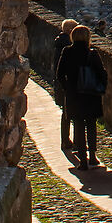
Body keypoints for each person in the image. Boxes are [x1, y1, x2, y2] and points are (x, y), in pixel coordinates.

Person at [63, 25, 108, 171]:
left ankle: (82, 160)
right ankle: (93, 156)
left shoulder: (67, 52)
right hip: (90, 94)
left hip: (74, 96)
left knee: (79, 126)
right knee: (91, 125)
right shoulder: (92, 54)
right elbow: (102, 73)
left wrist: (68, 88)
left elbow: (59, 74)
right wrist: (101, 88)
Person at [50, 17, 79, 159]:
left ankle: (65, 140)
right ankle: (71, 142)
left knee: (66, 114)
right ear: (69, 31)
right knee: (73, 114)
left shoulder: (58, 43)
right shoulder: (67, 45)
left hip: (60, 84)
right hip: (67, 85)